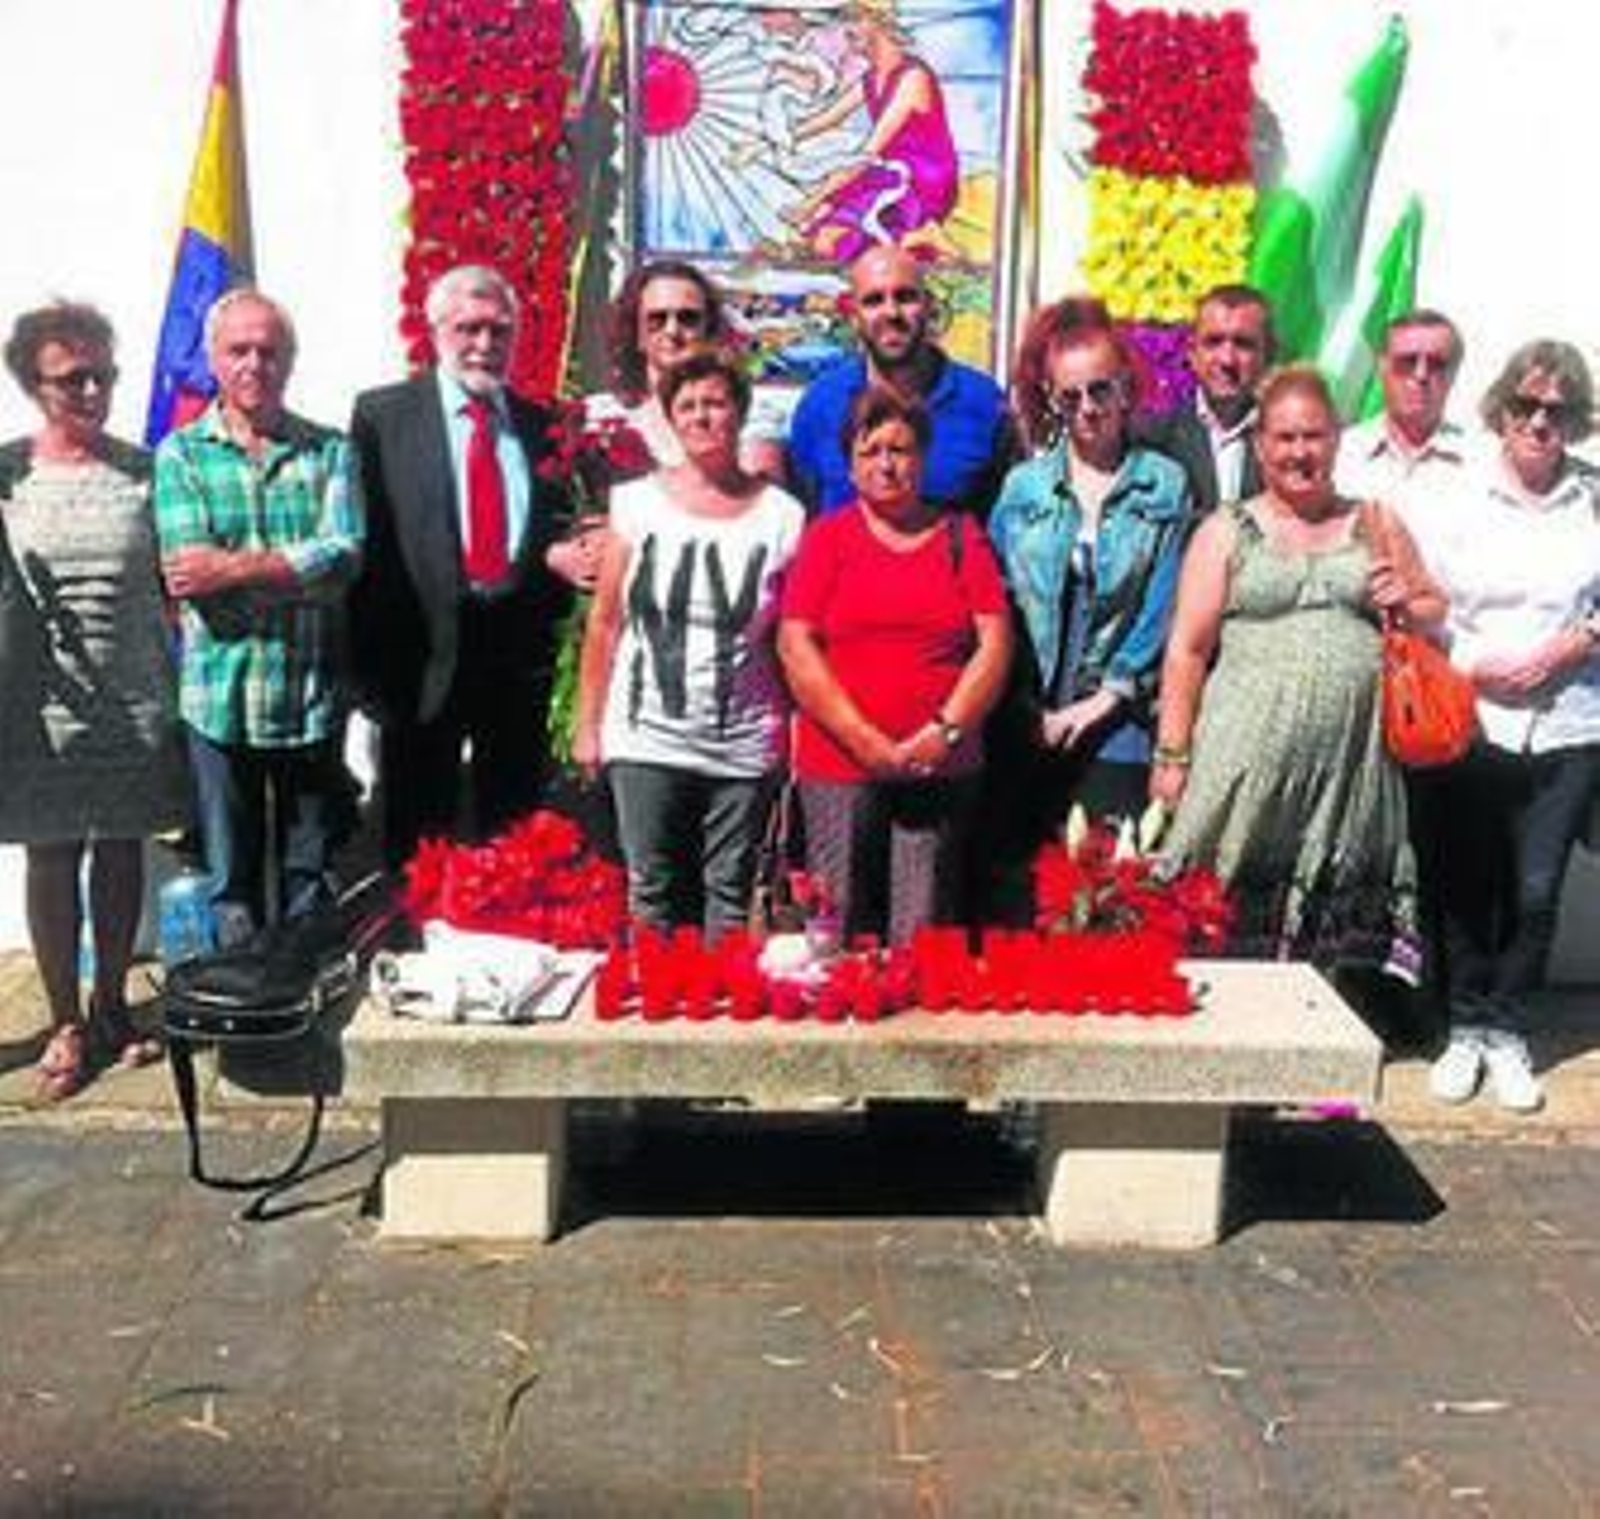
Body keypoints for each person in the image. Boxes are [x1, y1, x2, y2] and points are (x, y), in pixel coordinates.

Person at [1152, 365, 1444, 973]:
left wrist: (1405, 605)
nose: (1300, 452)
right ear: (1261, 446)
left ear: (1337, 439)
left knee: (1333, 930)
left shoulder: (1376, 522)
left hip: (1349, 767)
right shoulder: (1227, 529)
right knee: (1216, 905)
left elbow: (1433, 610)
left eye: (1313, 436)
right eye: (1284, 438)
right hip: (1242, 762)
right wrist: (1173, 756)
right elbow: (1187, 649)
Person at [0, 303, 189, 1099]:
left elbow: (176, 580)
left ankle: (112, 1002)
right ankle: (64, 1018)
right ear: (30, 384)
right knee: (51, 852)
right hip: (38, 707)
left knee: (120, 848)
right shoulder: (5, 475)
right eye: (70, 377)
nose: (89, 389)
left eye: (101, 374)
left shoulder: (148, 471)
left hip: (134, 690)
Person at [347, 265, 594, 868]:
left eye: (499, 331)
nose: (484, 345)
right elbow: (366, 546)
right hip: (421, 669)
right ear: (435, 331)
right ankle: (411, 953)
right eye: (468, 329)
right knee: (415, 845)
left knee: (511, 840)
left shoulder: (543, 429)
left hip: (514, 669)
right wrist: (368, 681)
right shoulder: (383, 417)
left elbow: (552, 538)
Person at [1422, 342, 1600, 1114]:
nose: (1539, 422)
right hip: (1476, 714)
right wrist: (1473, 663)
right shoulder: (1459, 498)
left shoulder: (1594, 498)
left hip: (1569, 723)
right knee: (1468, 884)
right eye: (1526, 405)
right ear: (1500, 409)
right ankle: (1465, 1025)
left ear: (1577, 419)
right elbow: (1425, 605)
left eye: (1557, 410)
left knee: (1534, 891)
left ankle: (1508, 1028)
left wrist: (1583, 639)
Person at [572, 350, 805, 937]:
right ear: (672, 420)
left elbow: (792, 638)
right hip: (646, 733)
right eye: (689, 405)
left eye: (716, 403)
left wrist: (796, 731)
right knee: (651, 892)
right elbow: (605, 621)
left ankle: (718, 1019)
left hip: (744, 740)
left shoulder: (783, 516)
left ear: (740, 413)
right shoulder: (636, 502)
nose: (703, 417)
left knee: (730, 896)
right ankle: (654, 1015)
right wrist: (588, 724)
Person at [153, 290, 358, 950]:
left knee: (309, 872)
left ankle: (302, 1006)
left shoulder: (330, 451)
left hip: (310, 697)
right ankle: (242, 1019)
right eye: (238, 350)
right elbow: (190, 578)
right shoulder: (180, 455)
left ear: (290, 360)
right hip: (219, 701)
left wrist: (233, 568)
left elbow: (344, 556)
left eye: (269, 350)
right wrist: (293, 572)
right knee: (229, 883)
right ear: (213, 359)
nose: (254, 363)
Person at [778, 386, 1012, 942]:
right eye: (871, 451)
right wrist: (862, 739)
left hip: (938, 765)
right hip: (838, 766)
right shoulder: (826, 539)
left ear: (923, 457)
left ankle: (916, 1031)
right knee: (834, 927)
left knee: (922, 928)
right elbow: (796, 645)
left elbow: (996, 641)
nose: (886, 464)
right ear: (850, 463)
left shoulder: (961, 536)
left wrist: (946, 730)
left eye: (900, 450)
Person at [985, 306, 1191, 917]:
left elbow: (1165, 602)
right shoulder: (1024, 488)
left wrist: (1106, 698)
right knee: (1025, 886)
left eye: (1099, 390)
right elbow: (996, 602)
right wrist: (1026, 708)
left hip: (1117, 714)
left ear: (1126, 387)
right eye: (1069, 396)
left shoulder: (1164, 484)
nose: (1087, 409)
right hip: (1030, 712)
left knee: (1109, 882)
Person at [785, 245, 1013, 517]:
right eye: (873, 300)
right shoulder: (820, 405)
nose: (891, 313)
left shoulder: (984, 404)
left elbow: (1004, 530)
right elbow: (804, 521)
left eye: (905, 297)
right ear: (853, 316)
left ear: (929, 306)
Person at [782, 0, 959, 262]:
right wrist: (767, 140)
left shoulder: (912, 77)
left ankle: (919, 236)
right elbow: (827, 119)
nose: (845, 30)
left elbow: (867, 152)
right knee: (822, 241)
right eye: (845, 20)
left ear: (877, 21)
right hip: (885, 172)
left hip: (920, 180)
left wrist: (813, 201)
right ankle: (911, 240)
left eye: (853, 19)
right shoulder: (871, 77)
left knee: (829, 240)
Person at [589, 258, 788, 475]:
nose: (672, 330)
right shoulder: (600, 417)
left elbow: (761, 499)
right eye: (657, 319)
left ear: (709, 330)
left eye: (688, 318)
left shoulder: (751, 415)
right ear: (635, 332)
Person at [1137, 283, 1272, 515]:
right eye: (1213, 342)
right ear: (1192, 353)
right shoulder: (1153, 439)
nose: (1227, 360)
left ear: (1267, 355)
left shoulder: (1286, 442)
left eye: (1243, 344)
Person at [1337, 309, 1471, 537]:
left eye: (1436, 364)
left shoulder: (1483, 462)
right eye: (1407, 362)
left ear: (1454, 372)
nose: (1421, 374)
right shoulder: (1340, 454)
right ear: (1381, 367)